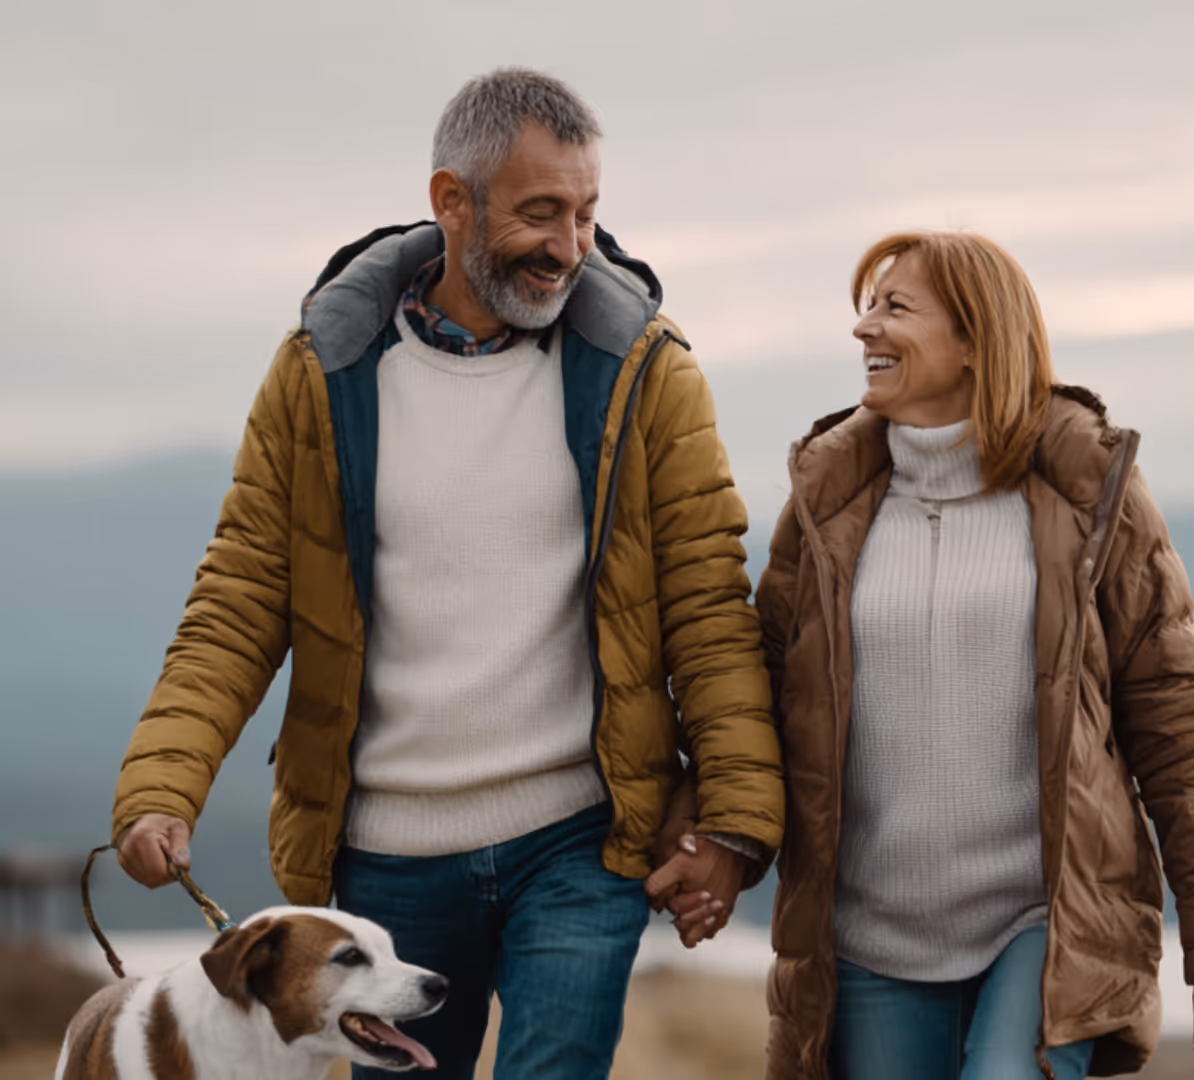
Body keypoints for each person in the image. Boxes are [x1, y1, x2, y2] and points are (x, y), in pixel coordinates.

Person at [108, 68, 784, 1080]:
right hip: (382, 864)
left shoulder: (647, 372)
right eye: (540, 212)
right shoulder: (322, 376)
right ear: (451, 201)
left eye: (588, 215)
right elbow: (238, 604)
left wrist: (732, 823)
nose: (568, 248)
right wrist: (160, 787)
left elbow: (709, 607)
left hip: (580, 844)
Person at [724, 231, 1194, 1078]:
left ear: (976, 340)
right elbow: (756, 707)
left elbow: (1177, 720)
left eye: (894, 308)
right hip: (866, 937)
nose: (864, 330)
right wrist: (710, 845)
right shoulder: (824, 511)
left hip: (1043, 924)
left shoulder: (1093, 501)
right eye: (866, 307)